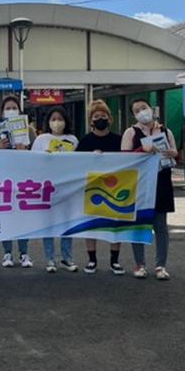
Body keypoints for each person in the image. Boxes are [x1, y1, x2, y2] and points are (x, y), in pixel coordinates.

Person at [121, 98, 178, 281]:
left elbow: (175, 153)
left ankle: (161, 265)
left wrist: (173, 154)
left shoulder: (166, 131)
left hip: (161, 182)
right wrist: (141, 150)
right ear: (134, 115)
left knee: (161, 226)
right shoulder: (131, 132)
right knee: (139, 224)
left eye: (144, 108)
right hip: (140, 183)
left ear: (151, 109)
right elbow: (123, 159)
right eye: (137, 110)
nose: (142, 112)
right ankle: (140, 264)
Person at [76, 99, 125, 276]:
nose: (100, 119)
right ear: (91, 120)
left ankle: (115, 260)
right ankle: (92, 260)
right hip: (92, 188)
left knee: (115, 224)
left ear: (110, 119)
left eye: (103, 116)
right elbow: (75, 164)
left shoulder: (119, 140)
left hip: (116, 188)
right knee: (91, 225)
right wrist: (90, 157)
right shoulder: (85, 141)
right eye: (96, 116)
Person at [0, 95, 37, 269]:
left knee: (23, 215)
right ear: (2, 112)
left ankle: (24, 253)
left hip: (23, 179)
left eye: (14, 108)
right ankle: (7, 252)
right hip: (3, 179)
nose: (11, 111)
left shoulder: (29, 130)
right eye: (7, 108)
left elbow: (37, 155)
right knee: (5, 215)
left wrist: (25, 151)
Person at [31, 106, 80, 273]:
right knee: (48, 223)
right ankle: (50, 258)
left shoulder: (72, 140)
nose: (57, 122)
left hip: (67, 186)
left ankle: (67, 258)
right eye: (53, 119)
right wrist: (43, 157)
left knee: (67, 222)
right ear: (48, 122)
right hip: (47, 186)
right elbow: (31, 161)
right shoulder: (41, 139)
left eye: (60, 119)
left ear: (66, 121)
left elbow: (79, 162)